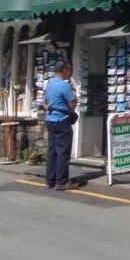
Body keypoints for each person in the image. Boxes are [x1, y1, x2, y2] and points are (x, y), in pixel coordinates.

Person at [43, 62, 79, 190]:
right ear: (64, 70)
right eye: (69, 70)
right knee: (63, 151)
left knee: (52, 151)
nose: (70, 72)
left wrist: (53, 108)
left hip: (50, 120)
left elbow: (44, 103)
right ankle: (62, 182)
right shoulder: (65, 85)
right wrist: (74, 97)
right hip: (62, 120)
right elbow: (73, 104)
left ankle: (49, 180)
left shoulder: (50, 83)